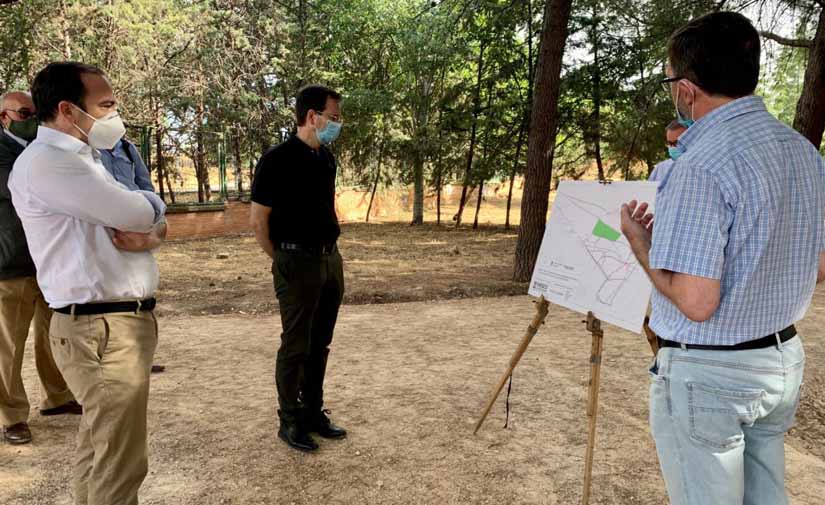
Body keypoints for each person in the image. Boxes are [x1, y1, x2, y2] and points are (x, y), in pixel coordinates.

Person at [620, 12, 825, 505]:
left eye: (671, 82)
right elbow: (817, 265)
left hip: (712, 374)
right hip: (780, 363)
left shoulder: (700, 164)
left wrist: (639, 243)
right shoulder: (803, 153)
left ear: (687, 90)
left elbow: (695, 301)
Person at [9, 62, 167, 505]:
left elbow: (145, 224)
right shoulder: (49, 164)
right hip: (101, 330)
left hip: (111, 326)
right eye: (106, 105)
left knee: (100, 448)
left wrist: (150, 224)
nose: (114, 115)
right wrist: (152, 206)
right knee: (120, 461)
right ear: (67, 109)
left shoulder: (85, 159)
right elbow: (139, 212)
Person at [250, 84, 347, 452]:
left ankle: (312, 412)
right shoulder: (276, 160)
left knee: (320, 343)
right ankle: (289, 420)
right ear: (312, 116)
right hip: (296, 261)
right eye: (333, 118)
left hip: (329, 260)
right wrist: (283, 260)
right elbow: (259, 222)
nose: (337, 124)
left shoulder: (326, 159)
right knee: (295, 345)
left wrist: (326, 254)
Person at [0, 91, 80, 445]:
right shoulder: (8, 154)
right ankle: (12, 415)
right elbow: (31, 189)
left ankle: (57, 396)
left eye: (35, 111)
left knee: (54, 336)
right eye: (23, 112)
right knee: (9, 346)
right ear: (4, 117)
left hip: (47, 261)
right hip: (11, 264)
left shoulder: (41, 150)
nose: (31, 117)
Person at [100, 136, 167, 374]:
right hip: (108, 228)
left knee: (140, 292)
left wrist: (150, 217)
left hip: (136, 225)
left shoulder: (127, 148)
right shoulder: (85, 150)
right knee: (113, 297)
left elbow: (144, 184)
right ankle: (116, 359)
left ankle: (142, 356)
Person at [648, 120, 688, 191]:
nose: (673, 147)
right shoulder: (660, 169)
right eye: (670, 143)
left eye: (677, 143)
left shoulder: (700, 169)